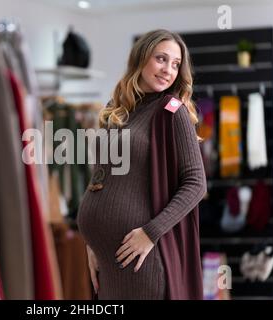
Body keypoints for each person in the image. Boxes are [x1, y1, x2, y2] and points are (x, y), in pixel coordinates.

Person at [76, 29, 207, 300]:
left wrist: (150, 233)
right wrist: (93, 244)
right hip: (107, 260)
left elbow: (196, 184)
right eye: (161, 59)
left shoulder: (171, 110)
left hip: (140, 259)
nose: (168, 70)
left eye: (175, 64)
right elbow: (102, 177)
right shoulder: (118, 108)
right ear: (141, 57)